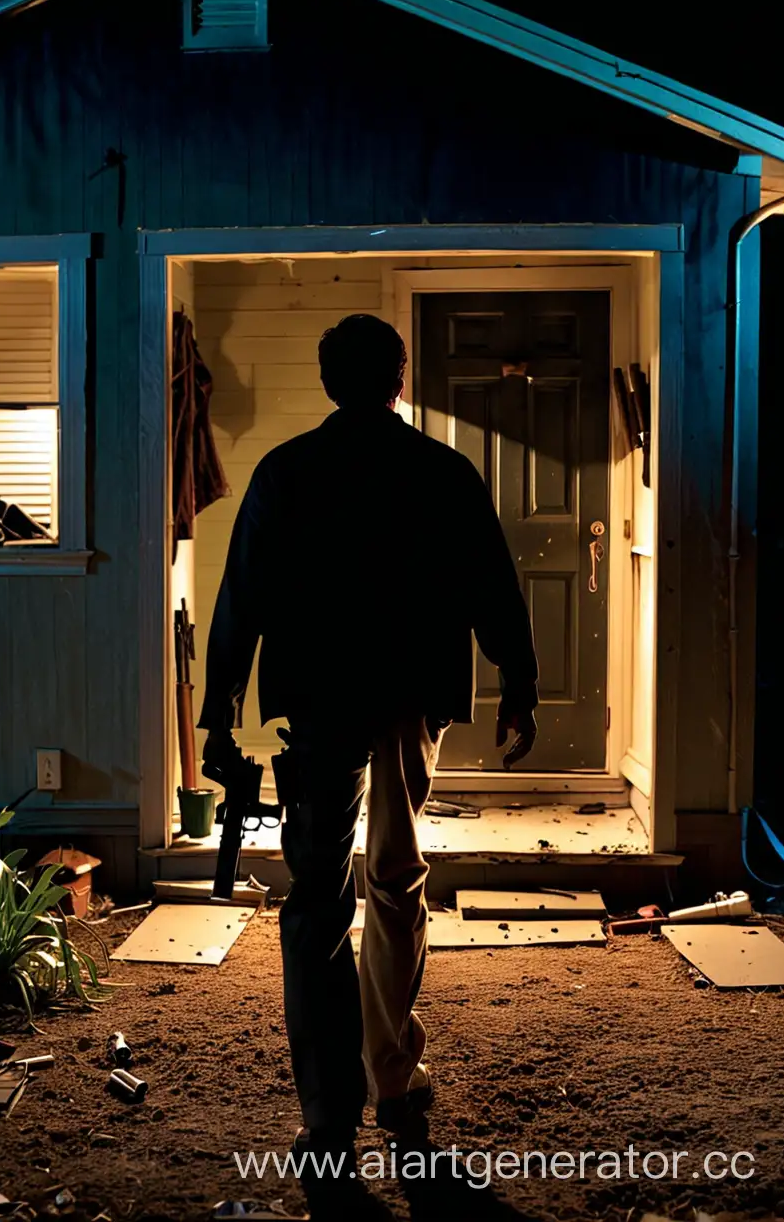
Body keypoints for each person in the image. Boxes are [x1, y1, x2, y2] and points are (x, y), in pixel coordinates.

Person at [198, 314, 538, 1167]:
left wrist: (218, 708)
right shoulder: (441, 471)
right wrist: (520, 683)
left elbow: (242, 594)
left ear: (326, 382)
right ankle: (391, 1071)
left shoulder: (286, 474)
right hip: (410, 696)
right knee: (396, 875)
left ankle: (327, 1108)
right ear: (399, 378)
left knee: (317, 897)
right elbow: (492, 582)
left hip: (318, 700)